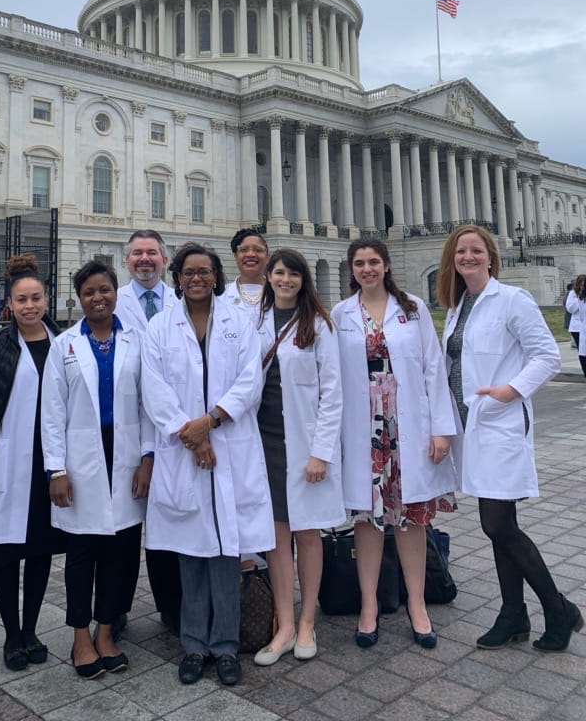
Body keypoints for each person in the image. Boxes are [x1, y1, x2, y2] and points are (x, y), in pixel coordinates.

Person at [438, 224, 584, 652]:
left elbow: (547, 355)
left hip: (499, 420)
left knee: (497, 524)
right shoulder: (457, 303)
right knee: (501, 527)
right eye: (461, 251)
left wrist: (510, 390)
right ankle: (513, 615)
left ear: (490, 256)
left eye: (476, 250)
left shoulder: (512, 299)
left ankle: (559, 610)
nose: (468, 256)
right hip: (471, 425)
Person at [141, 242, 274, 688]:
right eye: (188, 272)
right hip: (184, 451)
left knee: (225, 551)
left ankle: (226, 645)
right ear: (177, 278)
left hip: (229, 443)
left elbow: (249, 382)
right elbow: (154, 389)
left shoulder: (240, 322)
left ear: (216, 277)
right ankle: (194, 644)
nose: (197, 278)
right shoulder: (160, 327)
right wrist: (192, 436)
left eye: (205, 272)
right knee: (190, 553)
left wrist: (211, 421)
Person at [332, 239, 457, 650]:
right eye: (359, 263)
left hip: (407, 426)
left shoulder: (413, 308)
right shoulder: (341, 314)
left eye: (373, 262)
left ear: (386, 266)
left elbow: (433, 368)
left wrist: (440, 428)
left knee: (410, 520)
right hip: (364, 428)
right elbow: (331, 380)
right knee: (367, 521)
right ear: (352, 270)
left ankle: (417, 604)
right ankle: (368, 605)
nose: (367, 269)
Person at [42, 261, 153, 680]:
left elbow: (149, 405)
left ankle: (106, 631)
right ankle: (79, 636)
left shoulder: (135, 340)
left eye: (105, 290)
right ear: (79, 297)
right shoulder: (65, 344)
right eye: (89, 292)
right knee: (82, 553)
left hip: (125, 454)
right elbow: (51, 412)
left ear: (115, 293)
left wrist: (148, 457)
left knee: (120, 551)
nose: (98, 298)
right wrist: (55, 470)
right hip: (80, 458)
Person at [0, 254, 63, 671]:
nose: (29, 306)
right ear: (9, 304)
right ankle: (11, 634)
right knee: (5, 552)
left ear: (46, 298)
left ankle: (32, 629)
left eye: (36, 298)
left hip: (48, 465)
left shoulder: (63, 342)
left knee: (40, 550)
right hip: (6, 461)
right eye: (21, 300)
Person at [253, 249, 344, 665]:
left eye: (292, 274)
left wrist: (320, 452)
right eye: (279, 272)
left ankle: (307, 621)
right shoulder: (252, 321)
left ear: (304, 279)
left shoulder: (319, 326)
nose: (285, 279)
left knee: (307, 532)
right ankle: (284, 624)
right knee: (276, 535)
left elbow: (333, 394)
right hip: (264, 440)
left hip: (305, 440)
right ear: (268, 276)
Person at [115, 229, 182, 633]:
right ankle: (116, 606)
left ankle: (172, 608)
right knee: (124, 527)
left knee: (169, 521)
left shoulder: (179, 303)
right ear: (127, 261)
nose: (145, 259)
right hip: (128, 423)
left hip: (173, 424)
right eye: (137, 253)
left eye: (152, 253)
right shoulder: (115, 302)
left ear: (164, 261)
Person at [224, 228, 269, 322]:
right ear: (236, 256)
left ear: (267, 257)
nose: (251, 254)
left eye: (258, 249)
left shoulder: (279, 294)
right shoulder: (221, 296)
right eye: (244, 249)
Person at [565, 275, 586, 375]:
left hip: (583, 326)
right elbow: (571, 309)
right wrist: (578, 299)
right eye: (581, 284)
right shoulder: (573, 294)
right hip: (577, 327)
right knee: (582, 351)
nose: (582, 286)